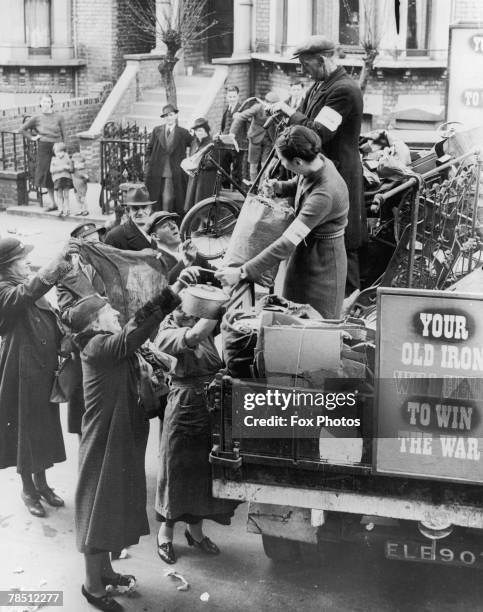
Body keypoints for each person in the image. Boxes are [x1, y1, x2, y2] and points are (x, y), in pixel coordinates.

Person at [71, 289, 180, 612]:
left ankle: (104, 572)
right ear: (95, 321)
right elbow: (135, 331)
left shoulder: (107, 343)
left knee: (108, 507)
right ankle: (92, 588)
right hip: (104, 439)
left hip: (117, 436)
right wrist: (167, 297)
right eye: (109, 312)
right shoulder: (97, 345)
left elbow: (137, 329)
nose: (116, 314)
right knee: (98, 510)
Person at [215, 125, 349, 319]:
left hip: (323, 267)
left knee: (314, 325)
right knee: (290, 315)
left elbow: (287, 243)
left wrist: (242, 272)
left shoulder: (324, 194)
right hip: (304, 253)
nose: (282, 165)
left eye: (283, 162)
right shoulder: (317, 161)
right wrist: (279, 186)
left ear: (297, 161)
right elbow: (301, 183)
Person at [269, 35, 364, 296]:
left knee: (344, 242)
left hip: (338, 175)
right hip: (317, 172)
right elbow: (302, 126)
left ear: (321, 60)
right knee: (315, 238)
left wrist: (287, 112)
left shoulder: (344, 90)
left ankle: (349, 304)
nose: (302, 70)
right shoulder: (320, 86)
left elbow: (318, 134)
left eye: (305, 64)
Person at [154, 291, 237, 565]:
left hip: (209, 403)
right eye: (185, 309)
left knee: (203, 471)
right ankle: (165, 536)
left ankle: (195, 532)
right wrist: (215, 306)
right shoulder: (166, 332)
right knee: (176, 471)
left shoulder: (193, 324)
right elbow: (194, 337)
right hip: (184, 404)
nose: (190, 314)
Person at [0, 238, 76, 518]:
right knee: (24, 433)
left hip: (41, 371)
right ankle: (28, 489)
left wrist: (64, 337)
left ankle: (42, 484)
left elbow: (49, 316)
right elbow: (27, 294)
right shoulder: (5, 290)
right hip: (20, 374)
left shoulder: (23, 286)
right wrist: (59, 262)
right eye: (21, 260)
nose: (27, 263)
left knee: (42, 430)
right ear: (7, 267)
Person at [57, 223, 107, 437]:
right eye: (90, 241)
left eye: (98, 240)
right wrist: (96, 302)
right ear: (79, 247)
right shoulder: (67, 276)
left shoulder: (110, 266)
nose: (97, 245)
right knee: (85, 414)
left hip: (111, 341)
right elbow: (67, 316)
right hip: (83, 348)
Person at [145, 211, 219, 286]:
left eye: (173, 222)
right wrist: (184, 262)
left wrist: (226, 274)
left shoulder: (191, 251)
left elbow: (213, 275)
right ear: (155, 236)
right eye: (165, 226)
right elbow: (162, 287)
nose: (174, 226)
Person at [21, 94, 66, 212]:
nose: (46, 104)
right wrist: (33, 138)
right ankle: (53, 203)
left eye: (48, 102)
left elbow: (64, 134)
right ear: (40, 104)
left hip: (57, 147)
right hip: (43, 147)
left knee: (60, 174)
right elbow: (22, 129)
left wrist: (65, 149)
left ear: (52, 103)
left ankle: (63, 205)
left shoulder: (59, 117)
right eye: (44, 102)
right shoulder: (37, 117)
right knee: (47, 175)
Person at [144, 104, 192, 216]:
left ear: (175, 116)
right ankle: (157, 222)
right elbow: (149, 149)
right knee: (155, 198)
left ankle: (165, 220)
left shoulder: (183, 133)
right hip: (157, 171)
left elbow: (195, 144)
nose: (168, 118)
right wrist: (148, 163)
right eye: (166, 116)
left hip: (173, 172)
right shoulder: (157, 131)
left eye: (171, 115)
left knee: (168, 198)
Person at [230, 91, 280, 183]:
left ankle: (261, 188)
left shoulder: (278, 110)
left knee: (265, 165)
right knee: (253, 164)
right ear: (265, 102)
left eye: (274, 104)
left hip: (269, 140)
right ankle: (253, 185)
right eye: (270, 103)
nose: (271, 106)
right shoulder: (257, 107)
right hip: (255, 139)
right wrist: (232, 133)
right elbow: (241, 117)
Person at [104, 185, 157, 251]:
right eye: (135, 208)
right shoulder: (114, 237)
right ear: (128, 211)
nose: (140, 212)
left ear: (150, 209)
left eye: (144, 207)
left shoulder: (160, 230)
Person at [184, 118, 217, 213]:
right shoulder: (194, 143)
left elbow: (213, 162)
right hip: (194, 179)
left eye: (200, 130)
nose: (198, 133)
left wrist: (199, 164)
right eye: (196, 131)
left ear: (206, 131)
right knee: (191, 208)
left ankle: (200, 226)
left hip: (205, 180)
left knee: (202, 207)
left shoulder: (212, 143)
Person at [219, 85, 245, 187]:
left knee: (236, 171)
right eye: (230, 97)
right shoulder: (227, 109)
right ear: (227, 97)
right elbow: (224, 125)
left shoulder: (242, 109)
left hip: (237, 144)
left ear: (238, 96)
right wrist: (220, 134)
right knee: (224, 168)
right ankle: (225, 190)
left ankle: (237, 192)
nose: (232, 99)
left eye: (234, 97)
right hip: (225, 143)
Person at [50, 142, 73, 217]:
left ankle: (67, 209)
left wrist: (68, 167)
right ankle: (60, 210)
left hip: (66, 178)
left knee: (66, 195)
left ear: (64, 152)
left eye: (61, 152)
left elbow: (71, 168)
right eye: (56, 152)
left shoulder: (67, 158)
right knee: (59, 195)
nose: (59, 154)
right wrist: (61, 168)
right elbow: (51, 170)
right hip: (58, 179)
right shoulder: (54, 159)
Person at [72, 152, 90, 216]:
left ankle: (85, 210)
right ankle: (80, 210)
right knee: (77, 199)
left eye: (78, 163)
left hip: (82, 188)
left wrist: (85, 177)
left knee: (83, 199)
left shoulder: (84, 170)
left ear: (83, 163)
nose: (76, 165)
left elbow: (87, 179)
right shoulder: (75, 170)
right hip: (76, 187)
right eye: (75, 163)